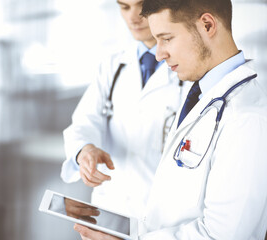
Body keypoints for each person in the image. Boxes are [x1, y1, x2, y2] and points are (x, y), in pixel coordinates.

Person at [74, 0, 267, 239]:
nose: (158, 54)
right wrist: (128, 234)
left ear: (207, 25)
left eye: (166, 39)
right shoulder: (200, 94)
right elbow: (174, 208)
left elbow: (224, 235)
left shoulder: (247, 118)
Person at [60, 0, 188, 219]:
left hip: (162, 219)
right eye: (124, 7)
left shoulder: (188, 70)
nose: (133, 17)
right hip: (110, 211)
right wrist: (85, 150)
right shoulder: (112, 66)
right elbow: (83, 123)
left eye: (142, 5)